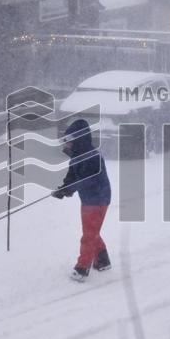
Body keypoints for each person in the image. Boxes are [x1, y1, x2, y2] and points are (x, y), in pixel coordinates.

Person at [51, 118, 111, 281]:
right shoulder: (77, 156)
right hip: (88, 199)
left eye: (70, 140)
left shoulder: (92, 157)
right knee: (91, 231)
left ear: (79, 139)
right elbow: (72, 176)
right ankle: (103, 260)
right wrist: (63, 189)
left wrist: (69, 190)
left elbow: (86, 180)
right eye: (66, 140)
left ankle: (82, 268)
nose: (67, 143)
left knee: (89, 235)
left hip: (98, 199)